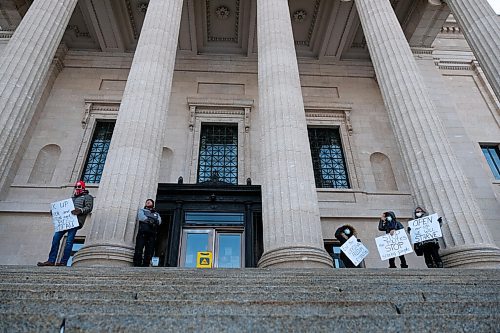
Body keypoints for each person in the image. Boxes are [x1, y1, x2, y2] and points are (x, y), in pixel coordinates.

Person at [37, 180, 94, 266]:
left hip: (75, 222)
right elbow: (64, 209)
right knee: (55, 239)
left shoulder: (88, 197)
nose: (77, 189)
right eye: (76, 187)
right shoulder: (72, 198)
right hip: (64, 222)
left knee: (69, 241)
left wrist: (80, 210)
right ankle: (51, 260)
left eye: (79, 187)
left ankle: (63, 262)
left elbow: (89, 208)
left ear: (83, 188)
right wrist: (55, 211)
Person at [133, 199, 162, 267]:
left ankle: (146, 264)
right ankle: (137, 263)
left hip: (152, 234)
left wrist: (152, 221)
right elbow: (141, 217)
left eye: (149, 202)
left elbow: (159, 221)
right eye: (147, 202)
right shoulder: (142, 210)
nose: (148, 202)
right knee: (139, 248)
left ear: (153, 204)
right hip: (143, 232)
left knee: (149, 250)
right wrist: (150, 221)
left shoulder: (156, 214)